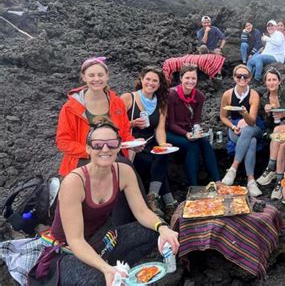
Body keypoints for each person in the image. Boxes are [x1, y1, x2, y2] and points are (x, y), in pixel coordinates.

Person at [34, 117, 179, 285]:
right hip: (68, 251)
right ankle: (108, 270)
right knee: (97, 279)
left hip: (104, 239)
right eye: (97, 144)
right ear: (88, 148)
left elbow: (141, 211)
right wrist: (105, 268)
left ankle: (117, 271)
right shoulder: (74, 182)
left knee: (154, 233)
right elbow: (76, 240)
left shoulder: (123, 171)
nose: (105, 148)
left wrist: (163, 228)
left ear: (119, 145)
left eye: (111, 143)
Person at [56, 57, 145, 225]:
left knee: (124, 168)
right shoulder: (70, 107)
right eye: (91, 75)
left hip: (113, 154)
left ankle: (131, 221)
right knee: (112, 169)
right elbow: (63, 141)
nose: (96, 79)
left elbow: (125, 132)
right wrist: (93, 151)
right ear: (84, 77)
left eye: (100, 74)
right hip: (83, 157)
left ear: (107, 76)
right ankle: (102, 226)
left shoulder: (116, 102)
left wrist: (133, 142)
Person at [120, 66, 177, 220]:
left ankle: (152, 197)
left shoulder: (161, 103)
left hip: (150, 142)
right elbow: (114, 123)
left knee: (163, 155)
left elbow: (159, 129)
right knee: (152, 162)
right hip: (132, 145)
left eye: (155, 81)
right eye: (148, 79)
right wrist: (132, 124)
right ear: (141, 80)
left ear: (159, 85)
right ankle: (169, 201)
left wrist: (163, 144)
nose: (151, 83)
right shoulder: (128, 98)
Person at [166, 64, 220, 186]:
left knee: (205, 142)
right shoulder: (171, 94)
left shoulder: (199, 96)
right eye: (187, 78)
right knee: (192, 145)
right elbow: (171, 123)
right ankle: (193, 186)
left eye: (193, 78)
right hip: (171, 132)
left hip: (188, 131)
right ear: (181, 78)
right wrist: (187, 134)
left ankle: (217, 180)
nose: (190, 81)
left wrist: (196, 130)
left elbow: (196, 119)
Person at [256, 68, 285, 200]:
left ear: (279, 81)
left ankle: (270, 168)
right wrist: (267, 114)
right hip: (278, 132)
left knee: (278, 131)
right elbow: (269, 124)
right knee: (283, 144)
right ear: (265, 83)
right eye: (269, 80)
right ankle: (279, 183)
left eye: (274, 79)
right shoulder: (265, 98)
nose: (271, 82)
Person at [219, 64, 263, 196]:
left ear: (249, 78)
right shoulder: (227, 95)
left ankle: (233, 168)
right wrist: (233, 126)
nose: (242, 78)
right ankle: (251, 181)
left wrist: (244, 114)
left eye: (246, 76)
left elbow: (252, 121)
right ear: (234, 77)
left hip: (253, 126)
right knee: (252, 142)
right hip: (235, 126)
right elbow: (223, 116)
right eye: (239, 76)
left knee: (249, 131)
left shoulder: (253, 95)